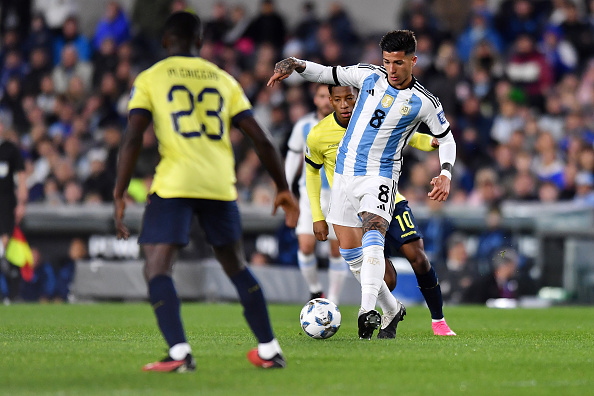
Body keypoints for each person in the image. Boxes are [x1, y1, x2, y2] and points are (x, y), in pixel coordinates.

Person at [114, 12, 299, 372]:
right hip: (219, 183)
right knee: (236, 266)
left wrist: (120, 190)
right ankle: (269, 348)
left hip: (176, 182)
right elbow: (261, 138)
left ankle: (180, 354)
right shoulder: (224, 80)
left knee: (156, 267)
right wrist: (282, 187)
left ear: (167, 41)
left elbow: (134, 136)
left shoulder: (152, 77)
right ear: (200, 43)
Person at [268, 30, 456, 339]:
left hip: (380, 176)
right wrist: (295, 63)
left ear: (413, 61)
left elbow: (446, 138)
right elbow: (326, 73)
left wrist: (445, 173)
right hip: (343, 175)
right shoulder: (367, 75)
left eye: (398, 63)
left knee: (374, 231)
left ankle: (366, 310)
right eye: (387, 62)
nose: (392, 70)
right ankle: (392, 309)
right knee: (350, 253)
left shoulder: (424, 101)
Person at [306, 84, 455, 337]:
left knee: (417, 257)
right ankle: (390, 309)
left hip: (388, 198)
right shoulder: (318, 135)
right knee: (387, 279)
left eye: (350, 99)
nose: (345, 105)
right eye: (338, 100)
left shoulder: (373, 119)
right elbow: (311, 172)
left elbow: (409, 136)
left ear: (359, 97)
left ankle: (438, 321)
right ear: (330, 101)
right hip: (350, 206)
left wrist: (434, 141)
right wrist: (317, 216)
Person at [285, 83, 348, 304]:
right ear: (315, 100)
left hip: (340, 193)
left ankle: (333, 300)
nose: (325, 101)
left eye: (328, 97)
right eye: (321, 96)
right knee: (305, 245)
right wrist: (284, 187)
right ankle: (315, 290)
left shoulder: (348, 125)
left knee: (337, 249)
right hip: (309, 191)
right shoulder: (304, 126)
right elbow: (294, 157)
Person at [0, 123, 27, 303]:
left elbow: (21, 175)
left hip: (5, 203)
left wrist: (22, 202)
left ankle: (12, 293)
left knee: (5, 246)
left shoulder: (10, 150)